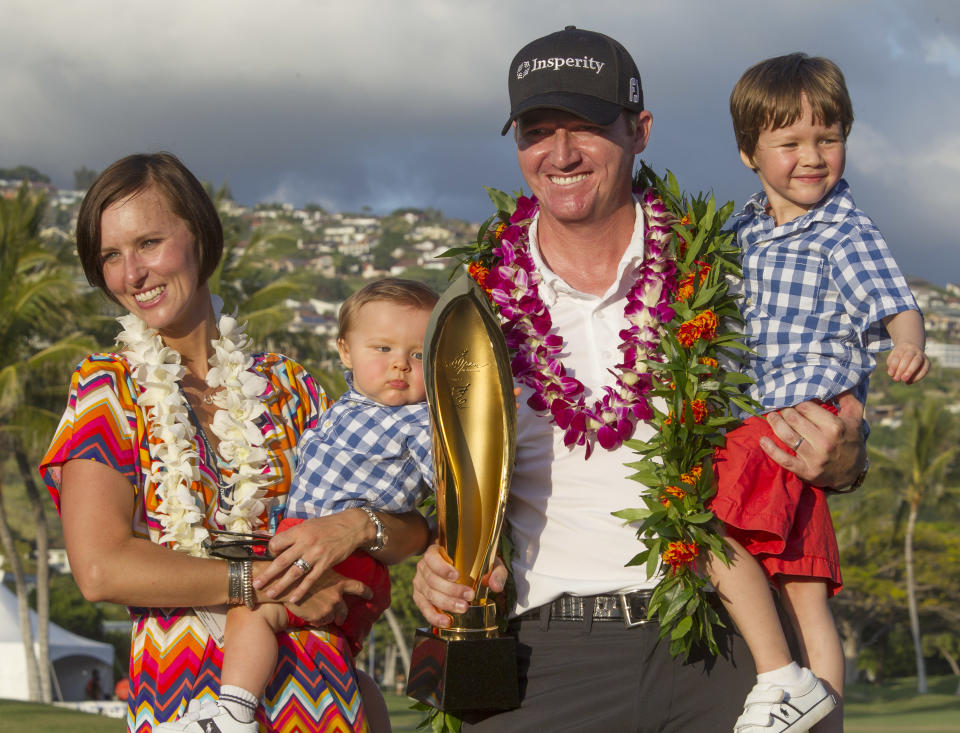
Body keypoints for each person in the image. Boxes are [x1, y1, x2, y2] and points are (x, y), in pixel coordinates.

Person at [412, 27, 869, 732]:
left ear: (640, 130)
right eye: (537, 131)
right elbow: (453, 479)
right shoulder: (471, 307)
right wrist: (436, 561)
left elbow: (824, 363)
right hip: (542, 658)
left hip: (720, 642)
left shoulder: (724, 267)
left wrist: (848, 449)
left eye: (586, 128)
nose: (559, 154)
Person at [40, 152, 429, 732]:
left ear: (198, 235)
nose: (131, 273)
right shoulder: (106, 390)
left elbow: (410, 529)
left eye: (148, 243)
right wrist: (261, 585)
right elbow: (101, 569)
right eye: (111, 257)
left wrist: (357, 527)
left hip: (319, 692)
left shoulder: (289, 385)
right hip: (186, 696)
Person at [704, 53, 928, 733]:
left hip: (790, 418)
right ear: (749, 152)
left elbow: (893, 300)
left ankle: (778, 675)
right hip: (772, 421)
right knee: (806, 590)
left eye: (828, 139)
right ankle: (820, 713)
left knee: (703, 526)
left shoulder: (841, 228)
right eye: (791, 142)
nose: (813, 157)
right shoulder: (738, 232)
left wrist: (908, 341)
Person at [157, 278, 438, 733]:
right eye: (382, 348)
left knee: (255, 610)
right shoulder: (348, 405)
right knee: (345, 663)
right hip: (317, 547)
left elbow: (448, 491)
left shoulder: (420, 421)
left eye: (419, 354)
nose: (400, 366)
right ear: (346, 352)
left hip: (349, 558)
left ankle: (231, 714)